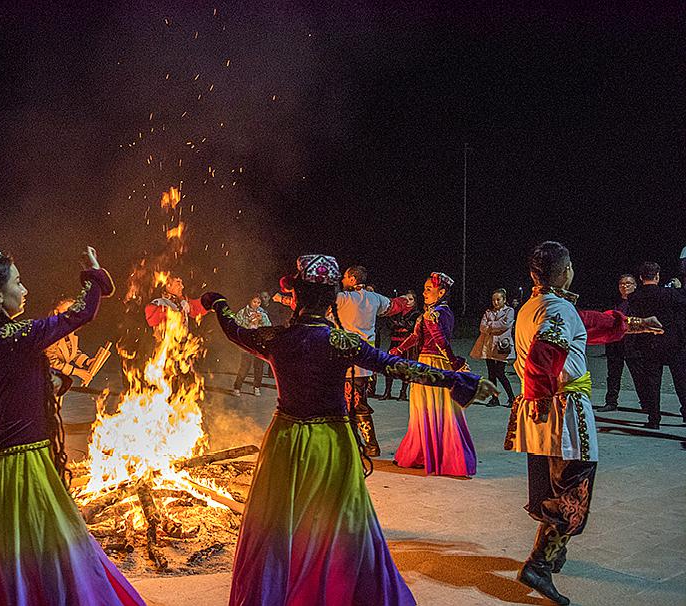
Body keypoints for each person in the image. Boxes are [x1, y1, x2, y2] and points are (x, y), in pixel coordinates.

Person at [202, 254, 496, 606]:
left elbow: (235, 331)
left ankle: (277, 593)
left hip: (286, 440)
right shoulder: (342, 343)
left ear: (295, 297)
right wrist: (458, 381)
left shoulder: (277, 338)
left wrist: (217, 303)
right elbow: (397, 367)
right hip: (331, 444)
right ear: (330, 301)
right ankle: (336, 590)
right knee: (341, 522)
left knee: (279, 523)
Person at [0, 245, 145, 606]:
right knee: (58, 549)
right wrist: (94, 275)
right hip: (18, 468)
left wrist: (53, 380)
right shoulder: (11, 336)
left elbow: (20, 383)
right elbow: (79, 314)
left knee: (30, 559)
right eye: (18, 283)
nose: (25, 291)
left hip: (9, 465)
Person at [505, 241, 661, 604]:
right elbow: (544, 356)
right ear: (566, 271)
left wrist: (636, 324)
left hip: (542, 408)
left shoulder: (534, 306)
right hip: (561, 409)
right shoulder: (556, 310)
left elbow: (588, 323)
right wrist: (542, 398)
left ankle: (554, 554)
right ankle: (539, 565)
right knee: (573, 489)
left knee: (554, 484)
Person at [389, 272, 478, 477]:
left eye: (429, 289)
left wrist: (453, 362)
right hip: (426, 363)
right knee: (424, 410)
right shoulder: (430, 313)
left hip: (435, 365)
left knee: (438, 410)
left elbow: (440, 341)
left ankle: (442, 457)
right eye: (425, 289)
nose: (424, 292)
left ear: (442, 292)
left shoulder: (439, 313)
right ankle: (422, 453)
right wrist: (398, 350)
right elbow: (415, 337)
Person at [331, 265, 415, 457]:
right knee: (354, 402)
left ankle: (370, 445)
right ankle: (357, 443)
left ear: (352, 279)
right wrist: (406, 299)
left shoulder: (344, 299)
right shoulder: (374, 298)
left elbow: (315, 304)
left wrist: (285, 298)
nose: (343, 280)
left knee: (354, 404)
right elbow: (394, 306)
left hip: (346, 361)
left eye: (345, 277)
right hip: (365, 360)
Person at [624, 262, 686, 429]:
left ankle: (654, 419)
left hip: (648, 343)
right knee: (681, 380)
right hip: (672, 343)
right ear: (657, 276)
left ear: (641, 277)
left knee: (652, 382)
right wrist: (679, 287)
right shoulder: (669, 294)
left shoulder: (634, 297)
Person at [594, 274, 637, 412]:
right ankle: (611, 402)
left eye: (628, 283)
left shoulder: (639, 302)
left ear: (635, 286)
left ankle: (647, 402)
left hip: (633, 344)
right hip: (614, 344)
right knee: (613, 375)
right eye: (622, 283)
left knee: (639, 375)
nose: (625, 286)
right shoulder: (613, 302)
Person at [470, 288, 518, 407]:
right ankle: (494, 398)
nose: (495, 302)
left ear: (504, 300)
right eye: (493, 300)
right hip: (489, 346)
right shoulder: (488, 312)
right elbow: (482, 327)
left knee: (500, 373)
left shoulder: (509, 311)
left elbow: (505, 325)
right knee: (491, 374)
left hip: (502, 346)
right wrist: (495, 327)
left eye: (498, 299)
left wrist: (490, 326)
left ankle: (512, 397)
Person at [45, 294, 96, 384]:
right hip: (44, 379)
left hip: (58, 380)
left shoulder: (69, 330)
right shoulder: (51, 331)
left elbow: (72, 351)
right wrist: (76, 371)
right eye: (66, 311)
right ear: (56, 312)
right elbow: (50, 362)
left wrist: (86, 361)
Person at [381, 289, 419, 401]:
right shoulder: (396, 311)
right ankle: (387, 392)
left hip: (407, 343)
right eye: (406, 299)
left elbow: (410, 327)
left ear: (415, 302)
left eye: (410, 299)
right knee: (390, 366)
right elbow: (389, 324)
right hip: (395, 341)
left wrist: (399, 324)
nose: (407, 301)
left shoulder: (416, 313)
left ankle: (403, 393)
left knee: (405, 368)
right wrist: (398, 324)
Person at [144, 274, 208, 337]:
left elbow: (197, 309)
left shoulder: (181, 302)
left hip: (183, 344)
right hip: (165, 345)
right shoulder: (159, 302)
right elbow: (152, 318)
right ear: (168, 285)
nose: (182, 286)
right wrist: (176, 314)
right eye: (178, 283)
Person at [231, 293, 270, 396]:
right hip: (247, 343)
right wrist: (248, 321)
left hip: (258, 343)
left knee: (259, 367)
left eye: (258, 302)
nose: (256, 304)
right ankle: (237, 387)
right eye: (254, 302)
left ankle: (257, 387)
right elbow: (236, 325)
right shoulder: (242, 313)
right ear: (250, 301)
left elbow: (269, 327)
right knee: (245, 366)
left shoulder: (263, 314)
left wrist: (262, 319)